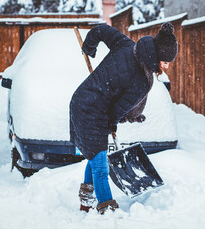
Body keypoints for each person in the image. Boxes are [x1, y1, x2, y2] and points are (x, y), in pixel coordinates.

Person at [69, 22, 178, 214]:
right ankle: (107, 212)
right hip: (92, 112)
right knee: (101, 166)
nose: (167, 66)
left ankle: (86, 202)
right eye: (166, 61)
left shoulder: (127, 44)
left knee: (95, 154)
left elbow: (101, 30)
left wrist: (90, 46)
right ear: (158, 57)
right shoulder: (143, 82)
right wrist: (113, 123)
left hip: (81, 100)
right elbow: (119, 110)